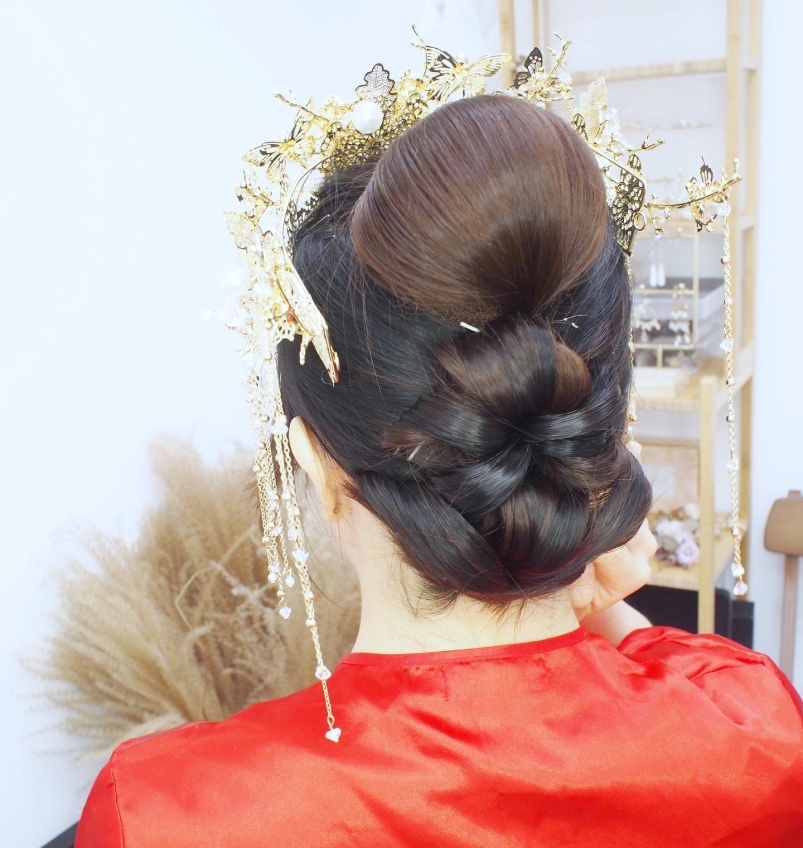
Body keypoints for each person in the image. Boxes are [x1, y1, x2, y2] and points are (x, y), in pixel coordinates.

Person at [75, 96, 803, 847]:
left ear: (316, 464)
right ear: (601, 428)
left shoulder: (166, 816)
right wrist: (603, 605)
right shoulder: (758, 735)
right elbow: (672, 727)